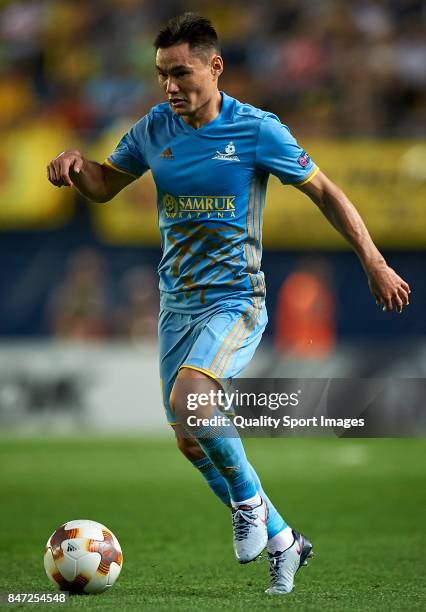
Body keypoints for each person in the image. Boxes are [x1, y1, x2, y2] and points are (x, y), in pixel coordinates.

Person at [46, 13, 411, 595]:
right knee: (190, 435)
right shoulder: (153, 129)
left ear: (216, 67)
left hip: (235, 299)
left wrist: (373, 260)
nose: (169, 86)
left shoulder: (257, 130)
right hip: (176, 305)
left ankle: (246, 505)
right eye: (162, 74)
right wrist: (76, 167)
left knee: (191, 399)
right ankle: (285, 540)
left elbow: (327, 193)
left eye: (181, 72)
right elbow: (106, 183)